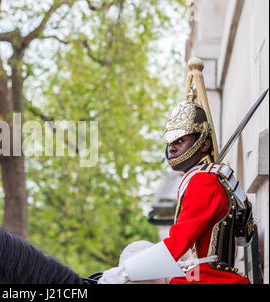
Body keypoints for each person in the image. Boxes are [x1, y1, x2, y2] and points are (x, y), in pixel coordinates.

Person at [99, 58, 252, 284]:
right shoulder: (206, 177)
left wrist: (124, 273)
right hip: (198, 275)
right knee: (137, 250)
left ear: (204, 144)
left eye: (180, 140)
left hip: (210, 279)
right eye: (170, 141)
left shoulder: (204, 182)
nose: (172, 147)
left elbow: (178, 243)